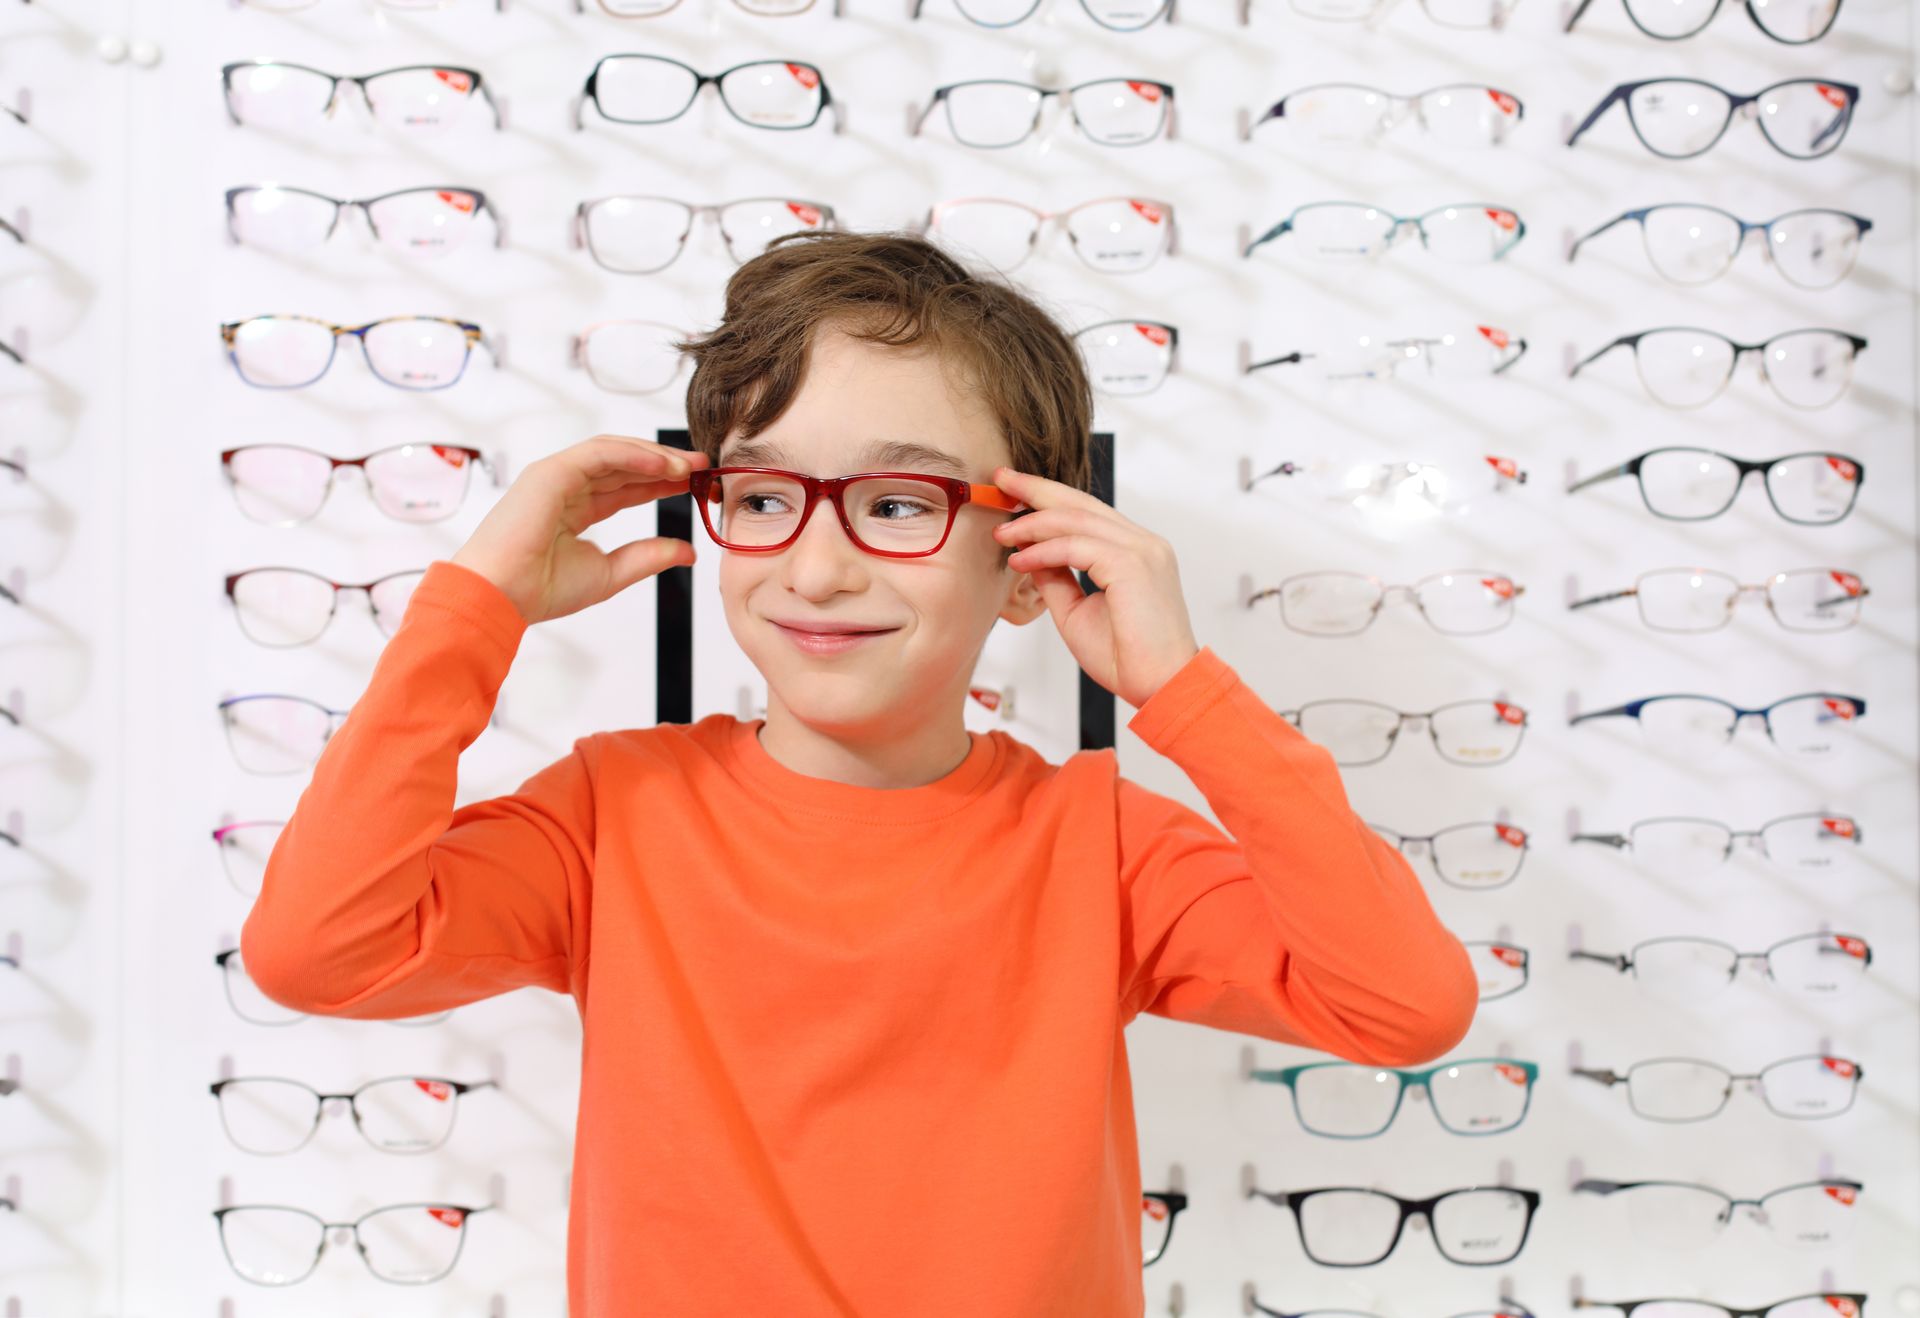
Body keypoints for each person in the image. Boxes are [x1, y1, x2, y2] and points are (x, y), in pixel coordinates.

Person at [240, 230, 1479, 1316]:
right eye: (767, 495)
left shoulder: (1101, 843)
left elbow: (1401, 1005)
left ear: (1028, 557)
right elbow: (320, 948)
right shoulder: (614, 812)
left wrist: (1184, 690)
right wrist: (477, 612)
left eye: (897, 503)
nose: (819, 571)